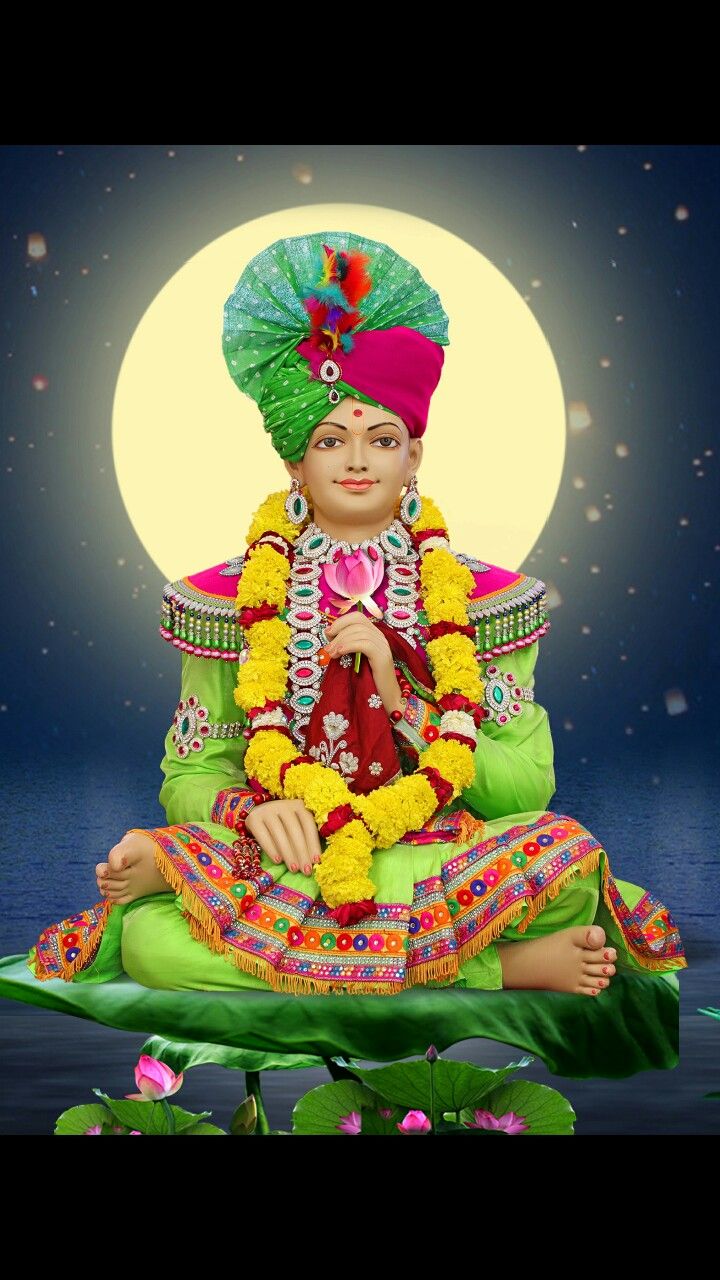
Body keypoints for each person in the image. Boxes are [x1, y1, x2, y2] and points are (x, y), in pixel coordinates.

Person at [26, 230, 687, 999]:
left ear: (415, 456)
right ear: (293, 462)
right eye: (330, 439)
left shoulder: (486, 600)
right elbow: (190, 773)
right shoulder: (225, 599)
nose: (357, 460)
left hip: (437, 850)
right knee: (149, 944)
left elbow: (524, 790)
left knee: (566, 859)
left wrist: (402, 695)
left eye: (382, 438)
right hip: (289, 859)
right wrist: (255, 809)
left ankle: (351, 962)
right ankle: (488, 968)